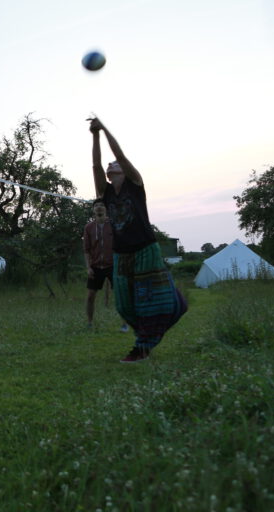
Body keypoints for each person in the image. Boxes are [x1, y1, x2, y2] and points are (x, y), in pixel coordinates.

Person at [89, 117, 187, 363]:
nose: (112, 165)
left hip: (145, 247)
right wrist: (94, 136)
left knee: (149, 301)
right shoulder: (107, 191)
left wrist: (105, 128)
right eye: (111, 167)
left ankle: (142, 347)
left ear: (122, 170)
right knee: (124, 305)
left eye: (116, 165)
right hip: (121, 253)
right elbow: (96, 165)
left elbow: (119, 154)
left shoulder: (136, 184)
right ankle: (169, 312)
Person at [83, 199, 129, 332]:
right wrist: (88, 267)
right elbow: (86, 250)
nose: (99, 208)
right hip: (96, 266)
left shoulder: (114, 225)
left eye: (102, 205)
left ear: (106, 209)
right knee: (91, 295)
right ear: (93, 210)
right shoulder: (89, 227)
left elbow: (122, 243)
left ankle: (124, 324)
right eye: (96, 206)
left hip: (113, 265)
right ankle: (90, 323)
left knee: (120, 295)